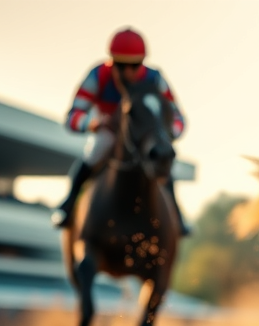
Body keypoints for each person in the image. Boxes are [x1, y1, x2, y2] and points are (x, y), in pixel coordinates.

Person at [52, 27, 189, 235]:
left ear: (142, 62)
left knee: (166, 165)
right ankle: (68, 205)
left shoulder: (154, 78)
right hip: (110, 133)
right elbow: (72, 117)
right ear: (111, 62)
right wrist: (93, 123)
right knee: (93, 153)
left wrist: (166, 135)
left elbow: (178, 118)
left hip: (143, 138)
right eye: (121, 65)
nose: (128, 72)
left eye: (134, 66)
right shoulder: (98, 75)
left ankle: (178, 218)